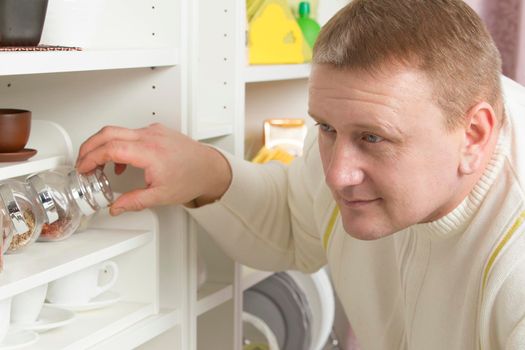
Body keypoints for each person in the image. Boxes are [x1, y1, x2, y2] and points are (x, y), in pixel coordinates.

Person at [76, 0, 525, 348]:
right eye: (326, 128)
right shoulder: (354, 121)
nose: (336, 175)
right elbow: (296, 225)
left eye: (373, 139)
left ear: (474, 134)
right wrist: (202, 170)